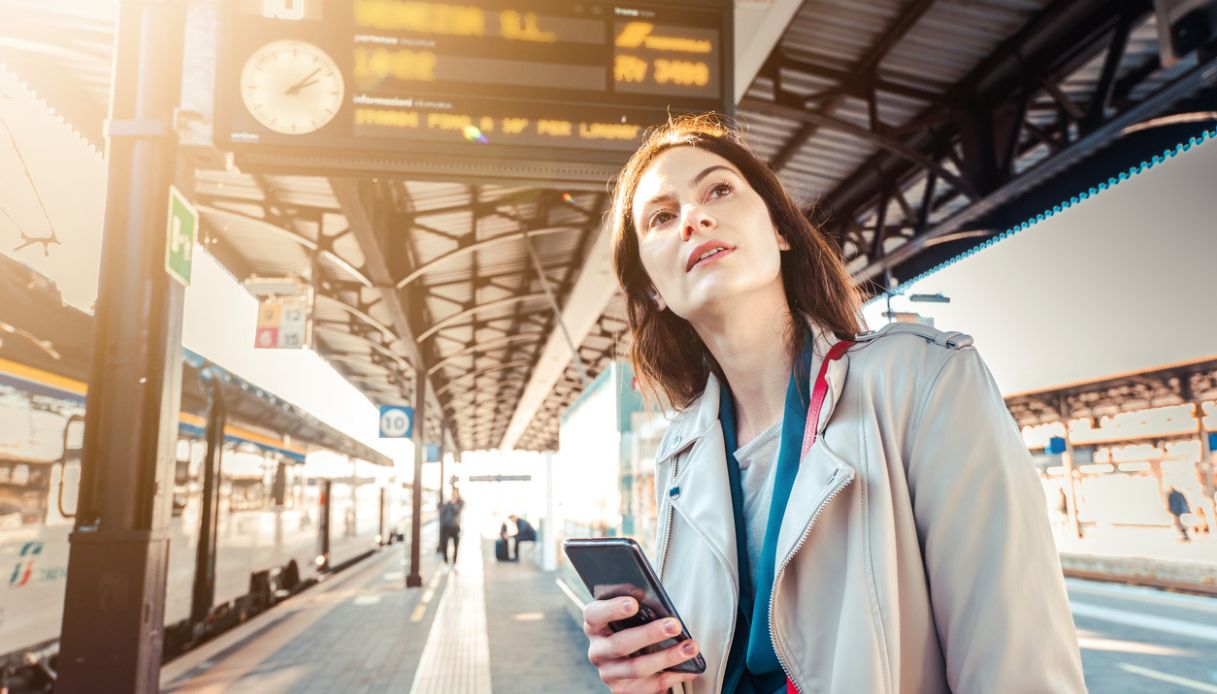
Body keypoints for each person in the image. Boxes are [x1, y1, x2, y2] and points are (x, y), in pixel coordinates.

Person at [580, 115, 1086, 693]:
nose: (693, 217)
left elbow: (1019, 670)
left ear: (780, 231)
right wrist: (646, 677)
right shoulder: (681, 454)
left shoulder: (923, 382)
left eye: (718, 189)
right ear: (653, 289)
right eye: (661, 218)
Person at [439, 489, 464, 564]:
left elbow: (457, 512)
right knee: (445, 543)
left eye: (455, 493)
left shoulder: (460, 503)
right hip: (446, 527)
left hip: (455, 528)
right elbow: (443, 513)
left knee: (456, 545)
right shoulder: (448, 503)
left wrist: (453, 503)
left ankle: (454, 560)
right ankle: (445, 559)